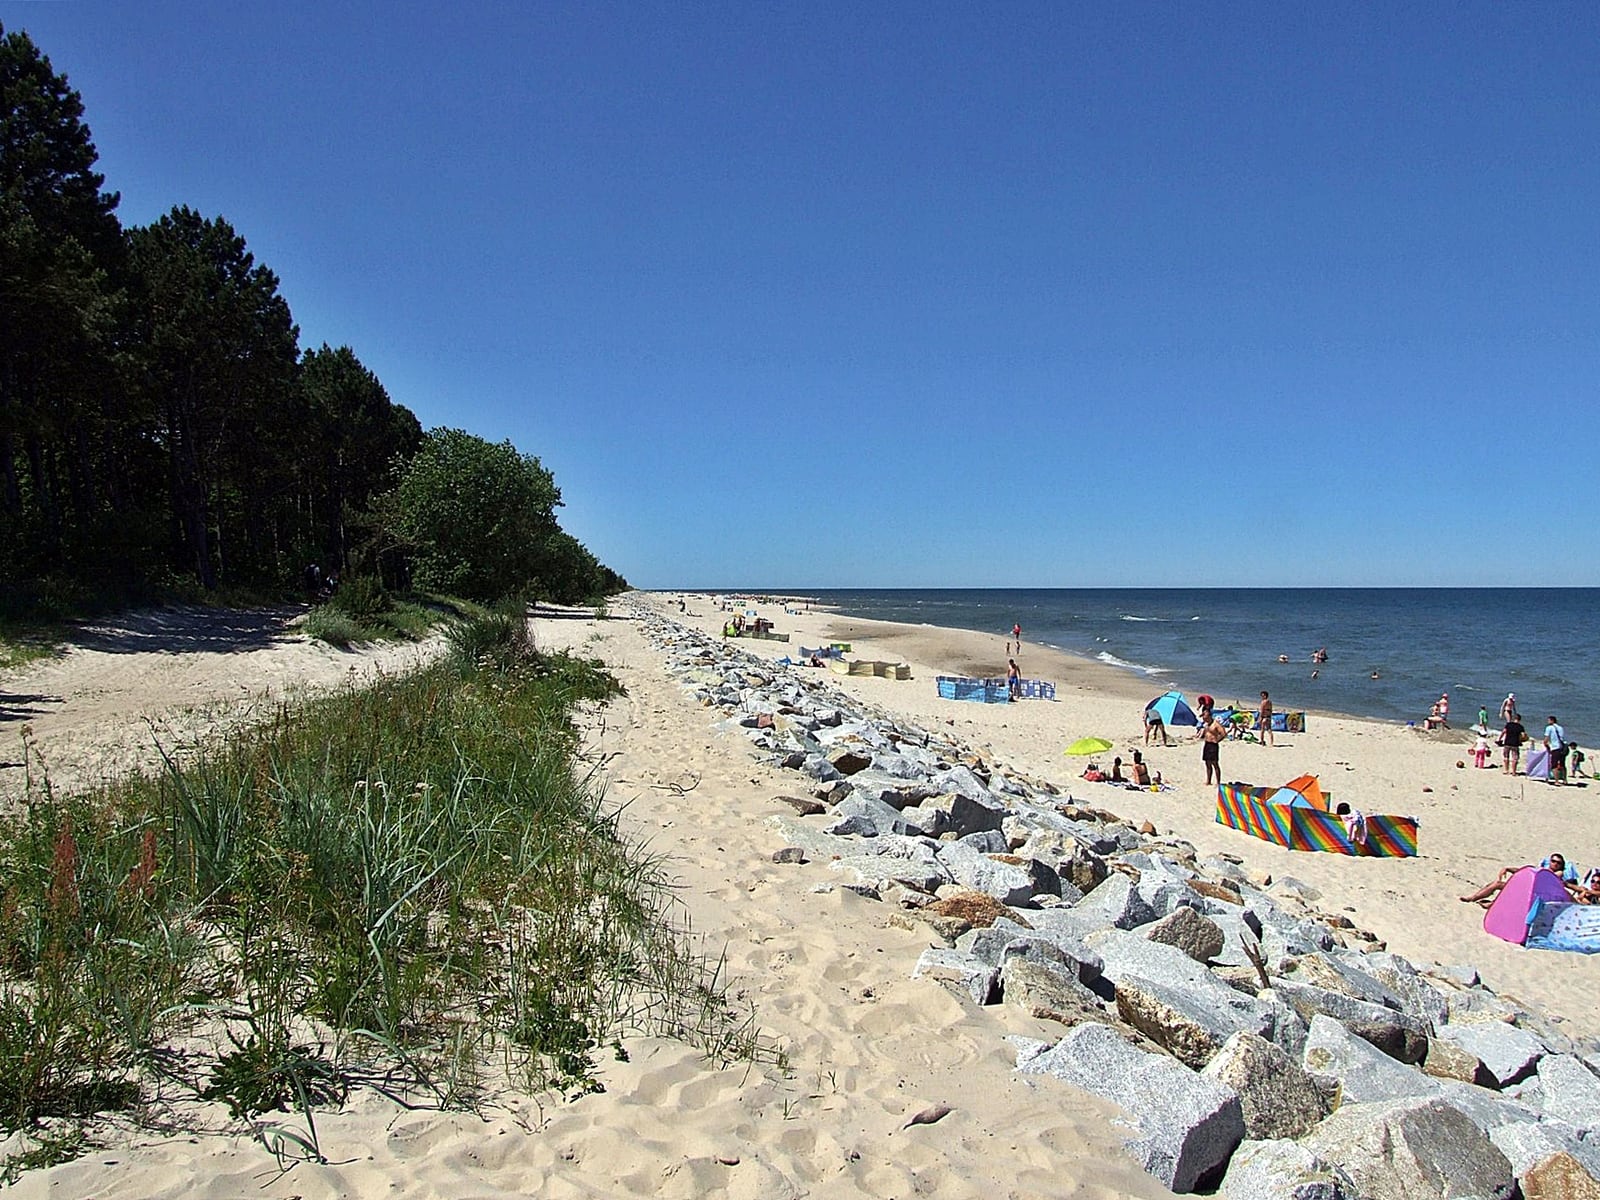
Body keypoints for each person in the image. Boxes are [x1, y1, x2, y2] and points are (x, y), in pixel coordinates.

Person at [1460, 853, 1575, 904]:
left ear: (1561, 865)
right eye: (1553, 861)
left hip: (1534, 896)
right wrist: (1509, 869)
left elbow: (1545, 876)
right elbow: (1526, 871)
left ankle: (1482, 901)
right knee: (1497, 883)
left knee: (1499, 886)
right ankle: (1473, 897)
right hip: (1527, 890)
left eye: (1558, 863)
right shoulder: (1542, 869)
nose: (1555, 864)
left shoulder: (1558, 874)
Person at [1201, 711, 1226, 785]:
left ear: (1209, 716)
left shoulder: (1216, 724)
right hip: (1207, 744)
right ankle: (1208, 781)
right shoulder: (1206, 724)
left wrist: (1217, 740)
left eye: (1205, 716)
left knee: (1214, 763)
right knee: (1207, 763)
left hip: (1213, 745)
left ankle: (1218, 782)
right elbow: (1206, 733)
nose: (1204, 718)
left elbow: (1223, 733)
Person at [1545, 716, 1568, 785]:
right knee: (1562, 764)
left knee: (1554, 765)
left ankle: (1557, 781)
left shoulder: (1549, 728)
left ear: (1552, 721)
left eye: (1548, 720)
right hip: (1562, 747)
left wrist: (1546, 746)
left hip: (1555, 748)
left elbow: (1546, 739)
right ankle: (1565, 780)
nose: (1548, 722)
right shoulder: (1560, 728)